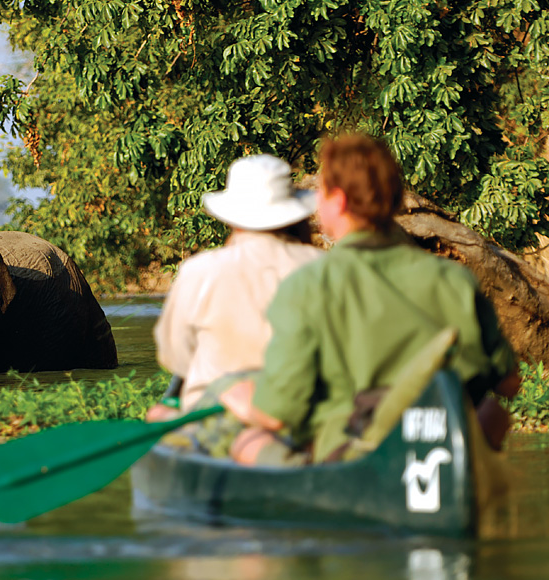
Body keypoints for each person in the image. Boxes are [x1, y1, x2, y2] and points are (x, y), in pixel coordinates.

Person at [218, 134, 520, 465]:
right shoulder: (455, 280)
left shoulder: (307, 285)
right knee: (492, 411)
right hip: (439, 448)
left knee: (249, 440)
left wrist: (239, 399)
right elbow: (508, 384)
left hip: (352, 458)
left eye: (322, 191)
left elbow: (277, 414)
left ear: (339, 202)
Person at [148, 154, 323, 421]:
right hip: (305, 413)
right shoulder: (326, 267)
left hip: (217, 416)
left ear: (232, 216)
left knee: (158, 414)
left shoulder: (200, 270)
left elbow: (175, 357)